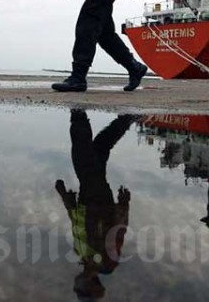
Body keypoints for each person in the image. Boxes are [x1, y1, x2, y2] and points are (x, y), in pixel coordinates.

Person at [55, 109, 136, 300]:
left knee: (99, 149)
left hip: (87, 199)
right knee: (82, 155)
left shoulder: (82, 255)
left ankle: (126, 119)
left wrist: (65, 197)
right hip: (99, 203)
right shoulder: (106, 263)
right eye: (80, 289)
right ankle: (78, 113)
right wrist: (124, 205)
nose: (76, 285)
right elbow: (118, 231)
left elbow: (76, 222)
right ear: (91, 286)